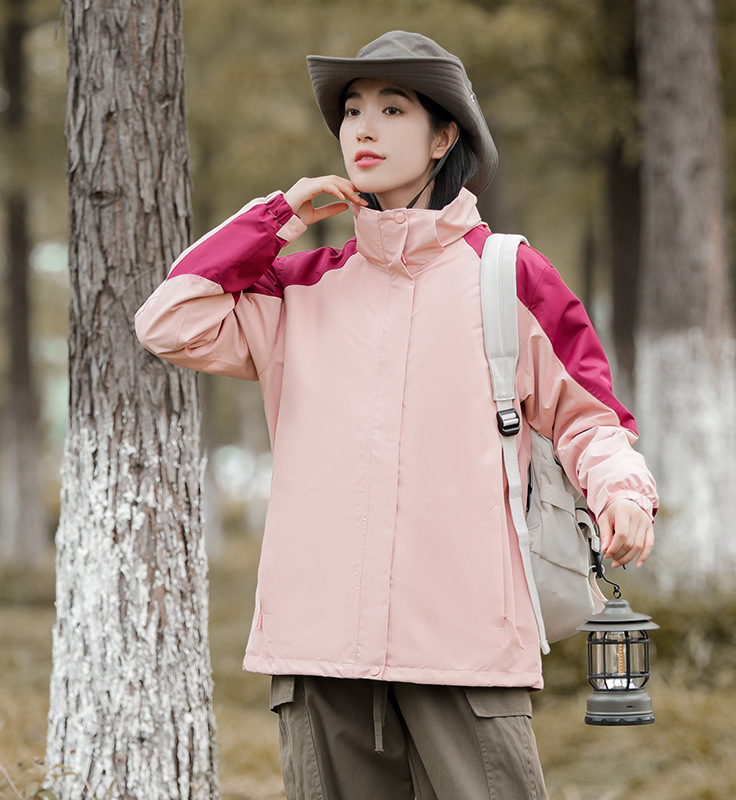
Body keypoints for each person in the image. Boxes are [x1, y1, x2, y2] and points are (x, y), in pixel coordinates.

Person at [135, 30, 657, 800]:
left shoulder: (504, 273)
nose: (364, 129)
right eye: (351, 112)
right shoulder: (301, 286)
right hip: (319, 648)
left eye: (392, 108)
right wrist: (279, 216)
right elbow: (167, 320)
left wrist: (623, 493)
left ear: (444, 137)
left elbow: (590, 416)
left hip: (464, 639)